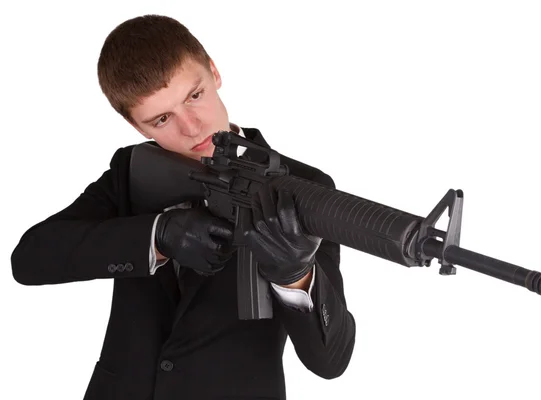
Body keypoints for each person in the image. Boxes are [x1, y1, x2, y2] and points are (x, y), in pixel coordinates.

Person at [10, 14, 356, 400]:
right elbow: (29, 259)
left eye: (194, 96)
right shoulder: (132, 173)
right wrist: (158, 235)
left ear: (214, 71)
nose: (192, 127)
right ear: (139, 128)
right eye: (161, 118)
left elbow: (331, 361)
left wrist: (296, 276)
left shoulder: (304, 187)